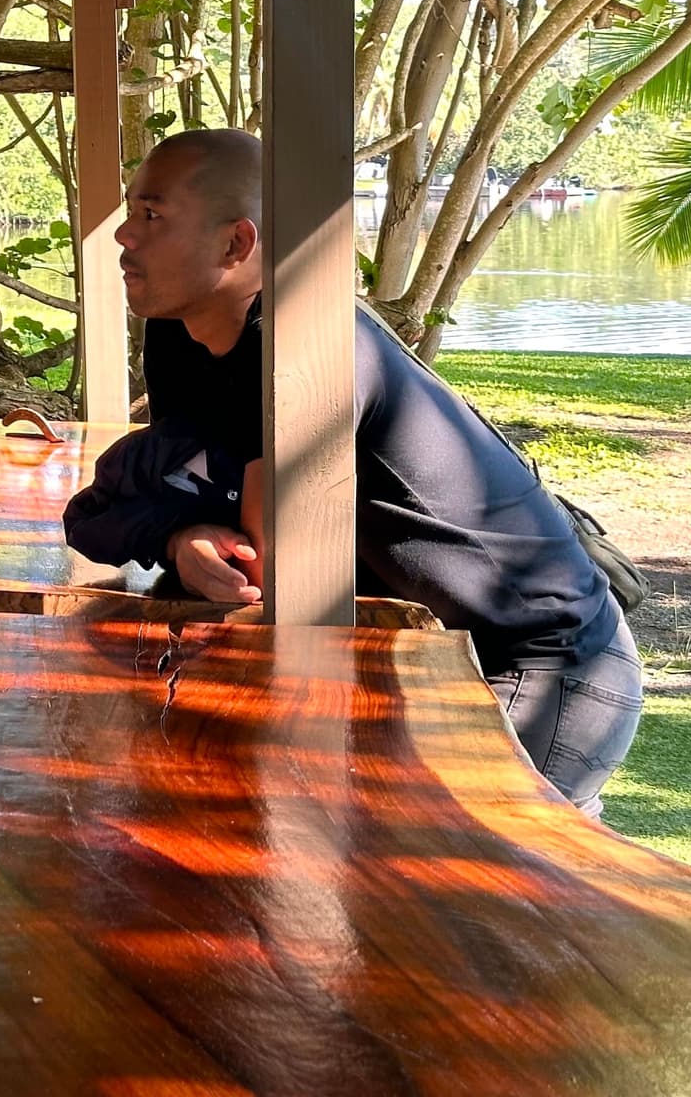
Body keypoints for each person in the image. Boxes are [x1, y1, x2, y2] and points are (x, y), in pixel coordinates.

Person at [63, 129, 643, 817]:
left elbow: (263, 573)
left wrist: (184, 531)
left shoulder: (304, 346)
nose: (124, 235)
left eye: (151, 215)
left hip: (534, 661)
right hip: (412, 648)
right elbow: (196, 498)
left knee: (458, 895)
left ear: (236, 244)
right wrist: (181, 534)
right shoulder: (181, 334)